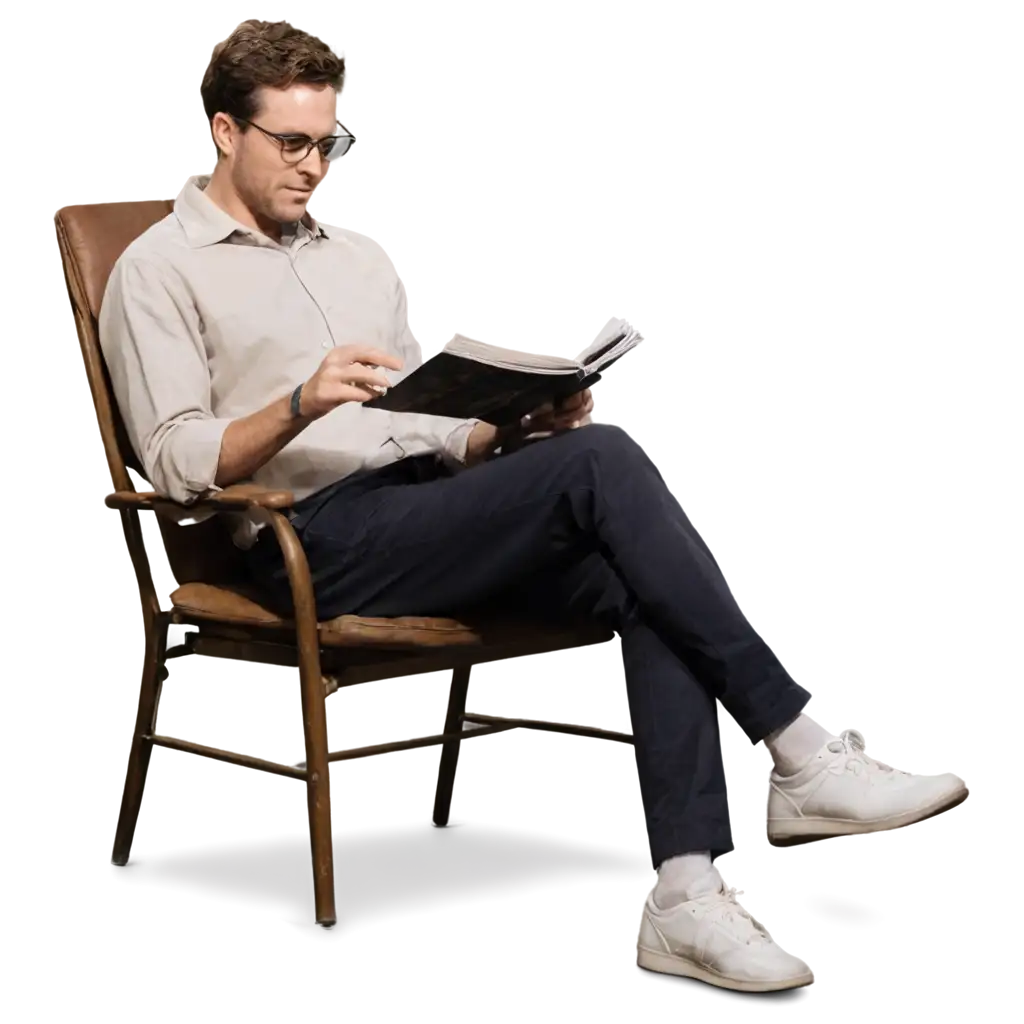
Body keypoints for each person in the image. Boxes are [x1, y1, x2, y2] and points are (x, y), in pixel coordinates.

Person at [99, 19, 968, 996]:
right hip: (313, 534)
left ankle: (683, 894)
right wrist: (301, 399)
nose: (314, 167)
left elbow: (411, 421)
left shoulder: (360, 258)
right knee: (604, 465)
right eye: (290, 144)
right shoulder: (158, 270)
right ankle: (797, 746)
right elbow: (175, 461)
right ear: (225, 132)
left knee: (632, 572)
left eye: (328, 143)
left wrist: (497, 431)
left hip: (423, 506)